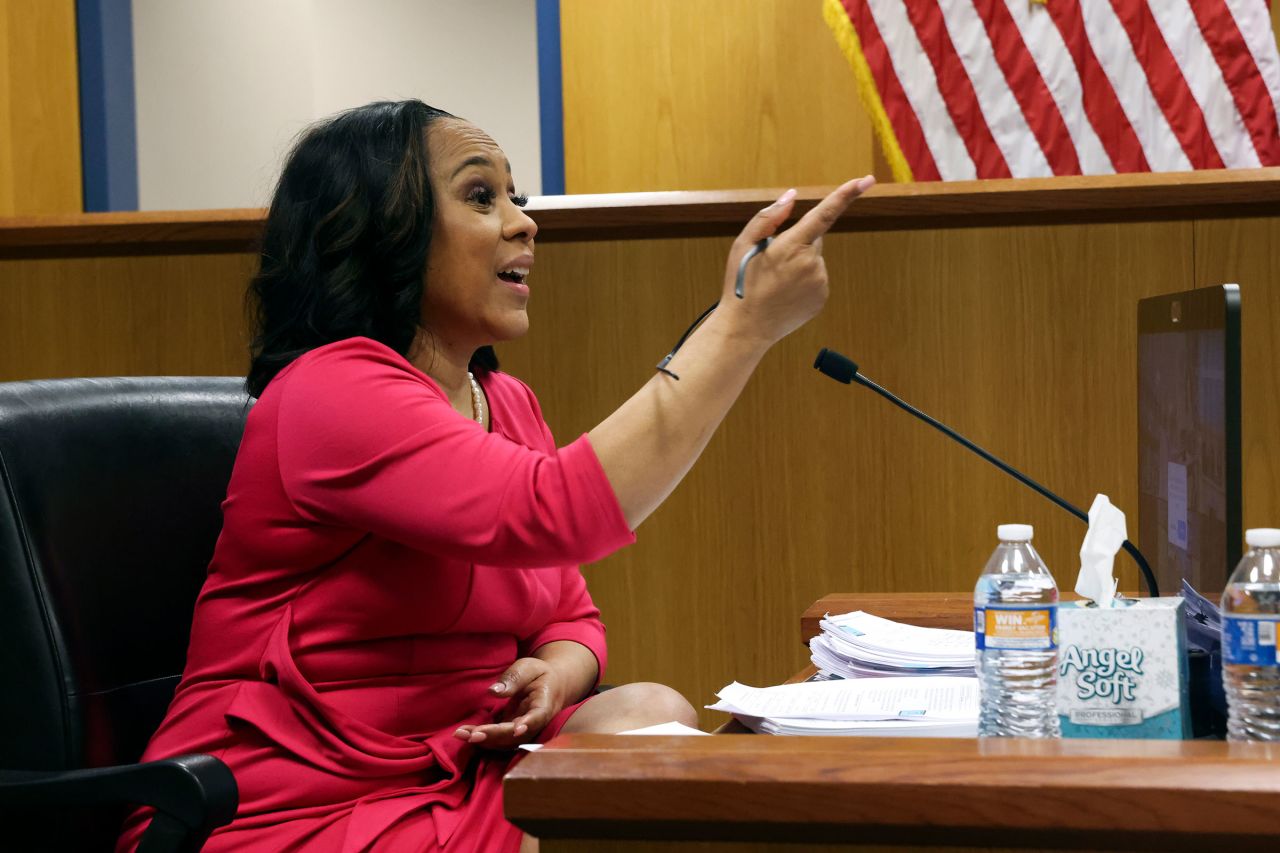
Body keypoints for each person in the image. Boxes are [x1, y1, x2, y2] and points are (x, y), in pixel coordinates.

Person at [117, 99, 873, 852]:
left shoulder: (505, 401)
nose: (523, 221)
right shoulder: (330, 392)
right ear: (384, 232)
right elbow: (557, 512)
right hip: (289, 801)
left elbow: (570, 613)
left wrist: (558, 671)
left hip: (459, 763)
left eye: (517, 195)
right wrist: (740, 328)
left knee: (647, 710)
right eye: (482, 196)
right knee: (646, 801)